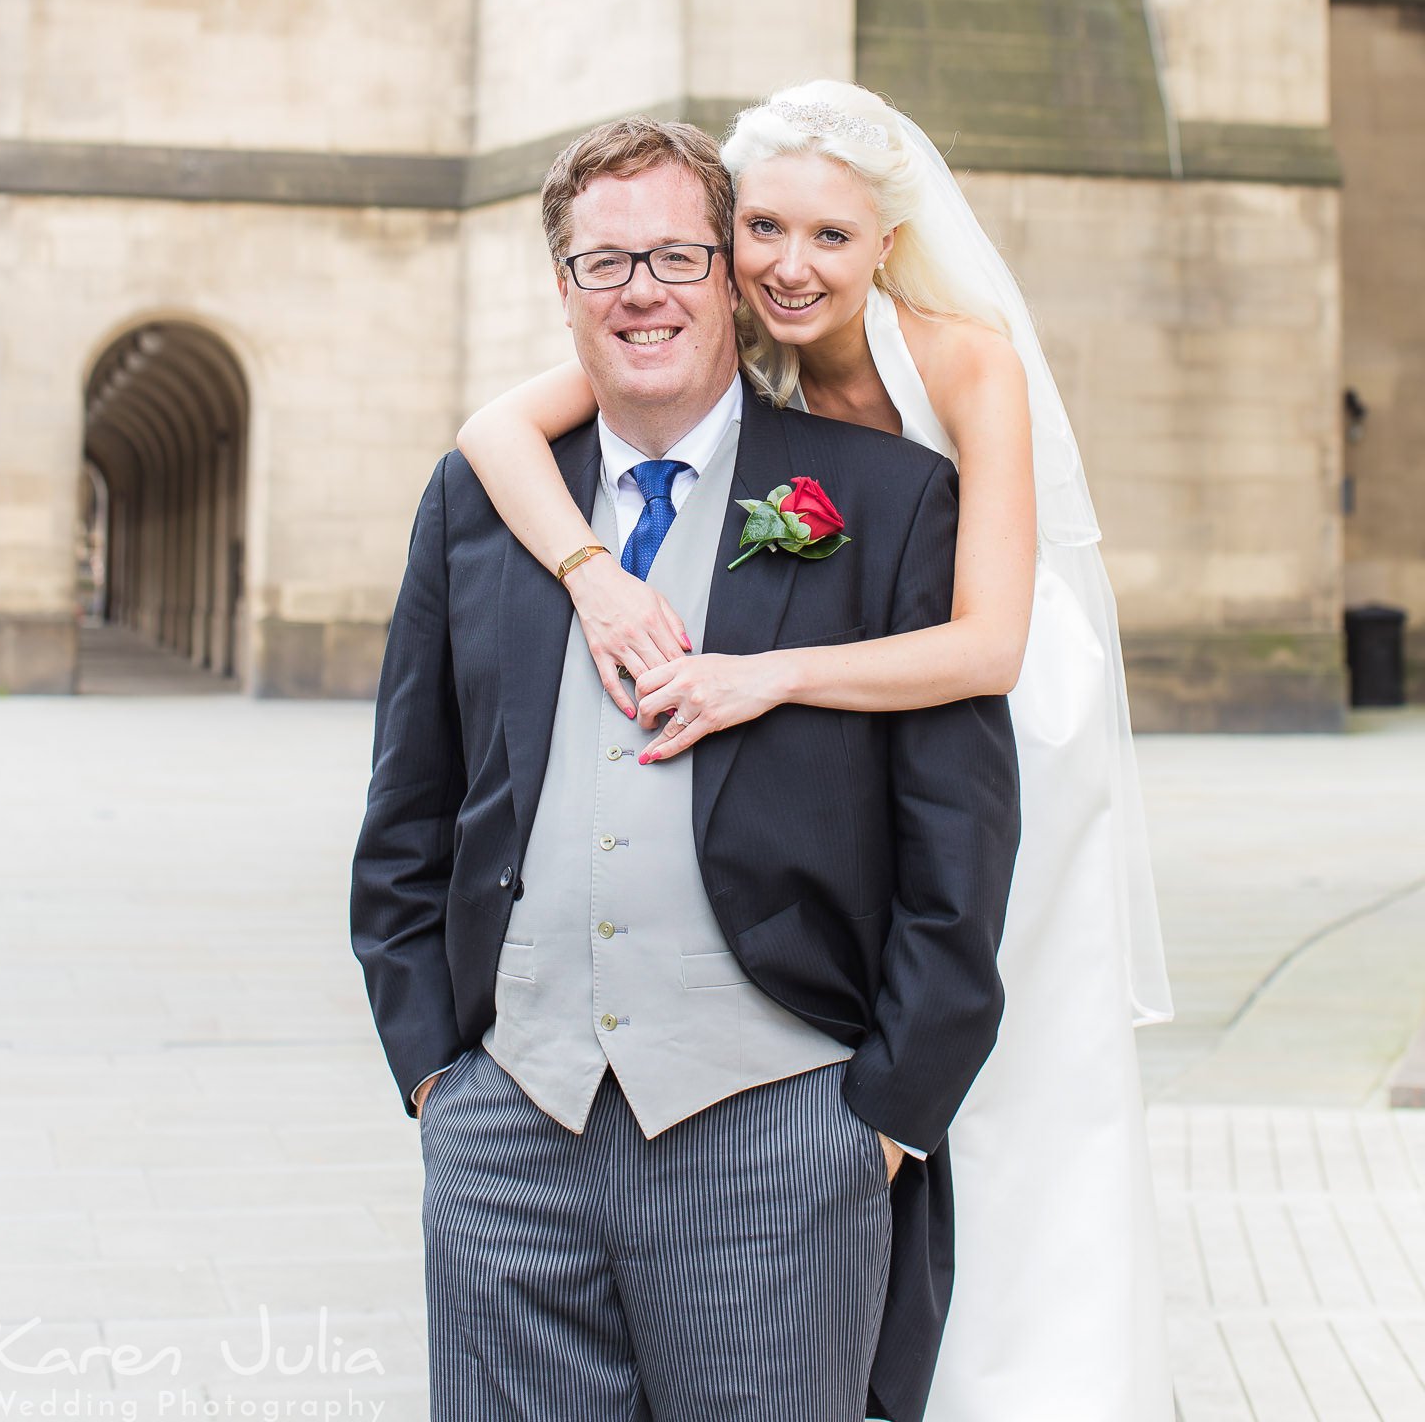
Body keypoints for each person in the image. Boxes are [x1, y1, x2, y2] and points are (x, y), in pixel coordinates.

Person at [454, 82, 1177, 1421]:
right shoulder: (747, 337)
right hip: (834, 699)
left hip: (996, 704)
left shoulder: (966, 361)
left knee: (1006, 1081)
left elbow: (991, 648)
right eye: (764, 229)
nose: (790, 266)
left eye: (830, 238)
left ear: (887, 246)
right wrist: (595, 575)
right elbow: (496, 433)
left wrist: (758, 678)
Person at [350, 114, 1021, 1422]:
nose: (643, 290)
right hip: (506, 1138)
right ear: (563, 292)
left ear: (728, 278)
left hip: (783, 1136)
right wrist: (439, 1076)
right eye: (605, 264)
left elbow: (962, 841)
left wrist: (881, 1119)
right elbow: (408, 809)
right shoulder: (481, 504)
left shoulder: (881, 502)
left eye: (674, 254)